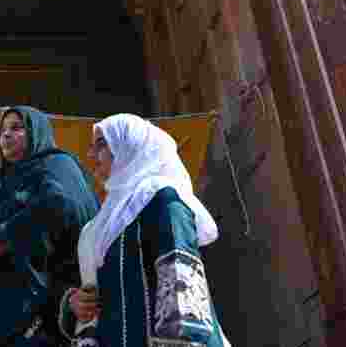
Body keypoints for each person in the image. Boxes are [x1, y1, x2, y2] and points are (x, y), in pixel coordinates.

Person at [60, 113, 229, 347]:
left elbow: (181, 294)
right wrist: (76, 305)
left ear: (130, 146)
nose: (90, 156)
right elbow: (95, 306)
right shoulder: (100, 226)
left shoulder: (162, 198)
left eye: (101, 144)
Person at [0, 106, 99, 346]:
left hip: (45, 312)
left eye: (17, 128)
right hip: (5, 313)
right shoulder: (8, 186)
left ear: (37, 132)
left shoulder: (57, 165)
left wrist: (2, 241)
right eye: (2, 130)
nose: (6, 135)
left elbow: (60, 203)